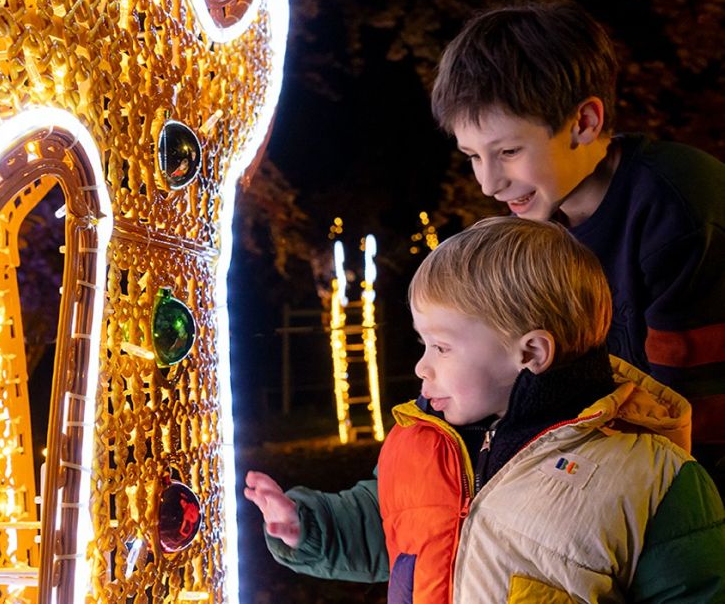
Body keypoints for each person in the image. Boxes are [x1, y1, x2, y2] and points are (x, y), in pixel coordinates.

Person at [245, 217, 725, 602]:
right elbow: (384, 523)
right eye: (423, 343)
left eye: (442, 347)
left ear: (531, 353)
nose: (421, 366)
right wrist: (308, 526)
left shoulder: (653, 481)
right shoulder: (421, 444)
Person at [429, 1, 725, 491]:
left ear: (584, 122)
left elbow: (693, 429)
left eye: (507, 151)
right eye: (471, 156)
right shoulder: (539, 236)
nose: (488, 182)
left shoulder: (680, 210)